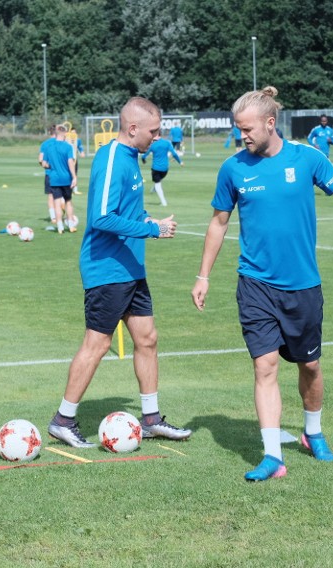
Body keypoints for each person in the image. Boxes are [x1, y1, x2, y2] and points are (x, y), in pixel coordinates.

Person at [190, 87, 333, 482]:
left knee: (309, 364)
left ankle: (312, 431)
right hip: (255, 284)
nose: (243, 136)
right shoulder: (233, 169)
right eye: (239, 130)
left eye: (248, 129)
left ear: (270, 124)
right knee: (265, 365)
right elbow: (219, 223)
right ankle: (273, 456)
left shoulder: (306, 158)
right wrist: (203, 275)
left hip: (303, 285)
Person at [48, 96, 192, 448]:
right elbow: (100, 217)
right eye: (153, 132)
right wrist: (152, 231)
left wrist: (151, 221)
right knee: (97, 343)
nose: (157, 138)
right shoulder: (112, 158)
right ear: (132, 129)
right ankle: (63, 420)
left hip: (131, 267)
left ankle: (151, 419)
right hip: (107, 267)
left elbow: (129, 211)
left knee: (147, 339)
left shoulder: (131, 158)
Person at [41, 124, 78, 234]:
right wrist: (74, 177)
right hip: (66, 178)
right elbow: (70, 162)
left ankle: (60, 227)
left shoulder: (49, 147)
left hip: (54, 179)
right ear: (65, 134)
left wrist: (52, 166)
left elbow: (44, 163)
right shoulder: (68, 147)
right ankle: (71, 226)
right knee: (68, 202)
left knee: (57, 203)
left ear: (56, 134)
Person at [140, 132, 183, 206]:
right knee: (158, 180)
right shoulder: (167, 143)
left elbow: (144, 156)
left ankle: (164, 202)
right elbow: (174, 154)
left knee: (157, 183)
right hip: (165, 169)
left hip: (156, 168)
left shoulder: (153, 145)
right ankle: (154, 189)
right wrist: (180, 162)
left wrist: (144, 161)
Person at [38, 125, 57, 224]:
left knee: (51, 196)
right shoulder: (63, 143)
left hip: (50, 174)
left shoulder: (45, 144)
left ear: (49, 132)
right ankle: (62, 216)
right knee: (63, 197)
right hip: (63, 174)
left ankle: (53, 217)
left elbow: (40, 160)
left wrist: (48, 165)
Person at [67, 127, 86, 195]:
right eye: (72, 132)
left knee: (74, 174)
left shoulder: (78, 140)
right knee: (68, 174)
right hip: (67, 159)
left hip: (74, 159)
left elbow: (80, 148)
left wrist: (82, 152)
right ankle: (68, 189)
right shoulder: (66, 140)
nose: (73, 134)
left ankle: (75, 190)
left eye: (74, 132)